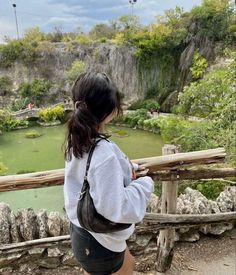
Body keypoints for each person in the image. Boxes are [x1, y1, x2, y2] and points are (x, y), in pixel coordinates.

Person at [64, 72, 154, 275]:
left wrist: (126, 168)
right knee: (126, 268)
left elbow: (90, 175)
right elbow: (115, 208)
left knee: (128, 264)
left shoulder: (76, 138)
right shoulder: (103, 153)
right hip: (99, 242)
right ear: (110, 110)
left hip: (81, 231)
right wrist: (145, 185)